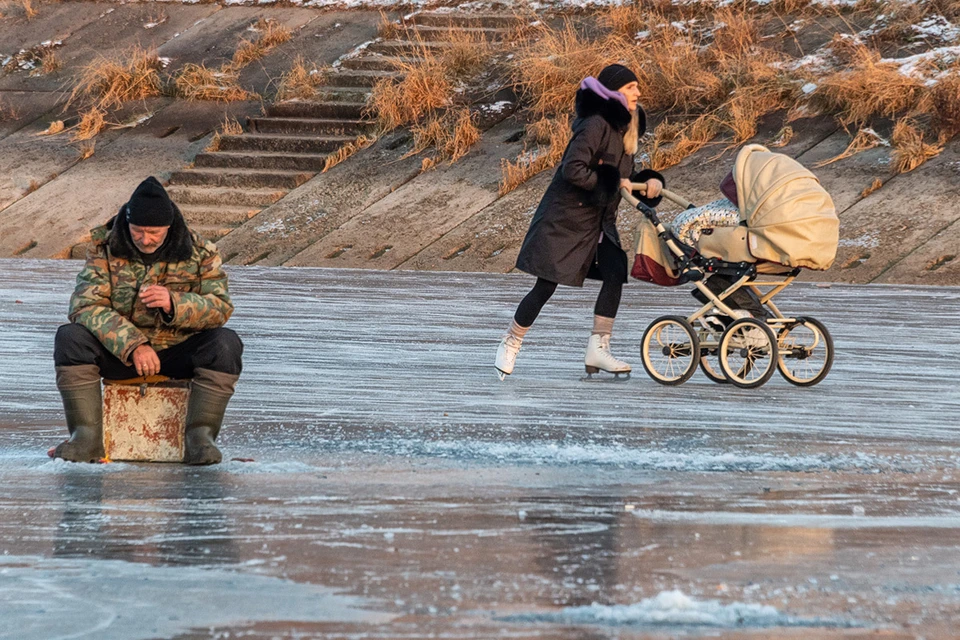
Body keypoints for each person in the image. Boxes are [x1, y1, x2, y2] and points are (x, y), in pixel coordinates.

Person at [52, 177, 243, 465]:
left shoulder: (202, 252)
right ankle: (86, 439)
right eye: (138, 231)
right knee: (70, 338)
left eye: (154, 232)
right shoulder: (103, 247)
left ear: (168, 227)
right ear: (127, 224)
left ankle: (199, 439)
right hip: (122, 355)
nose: (145, 239)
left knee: (226, 344)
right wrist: (134, 344)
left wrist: (174, 303)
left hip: (177, 351)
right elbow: (85, 305)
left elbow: (220, 308)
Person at [495, 64, 665, 380]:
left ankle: (598, 349)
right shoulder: (596, 124)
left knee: (615, 274)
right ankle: (512, 340)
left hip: (599, 223)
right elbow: (572, 169)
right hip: (567, 219)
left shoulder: (624, 127)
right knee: (546, 285)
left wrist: (648, 182)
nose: (638, 93)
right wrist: (612, 181)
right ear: (614, 91)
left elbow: (623, 175)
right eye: (631, 88)